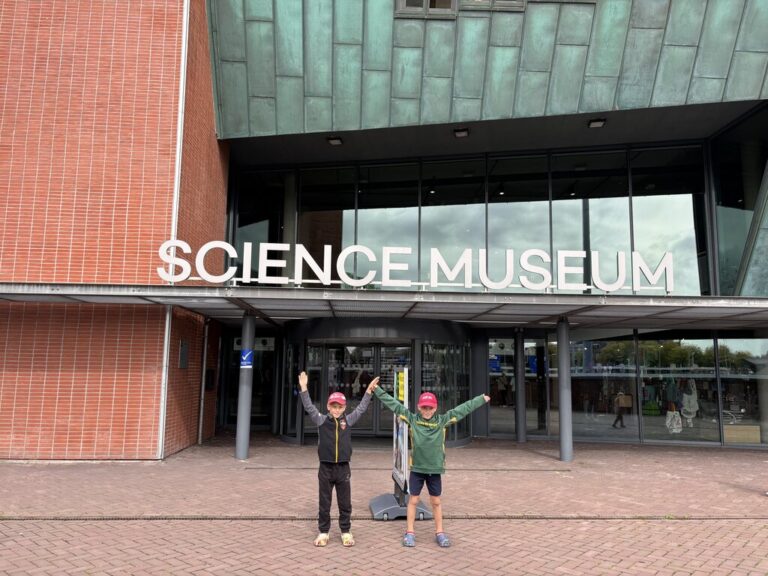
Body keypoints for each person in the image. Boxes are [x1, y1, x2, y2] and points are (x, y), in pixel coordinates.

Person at [370, 381, 490, 548]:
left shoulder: (442, 421)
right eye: (424, 407)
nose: (427, 411)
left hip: (434, 470)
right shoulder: (412, 419)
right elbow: (395, 405)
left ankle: (440, 532)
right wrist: (377, 390)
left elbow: (462, 410)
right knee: (413, 500)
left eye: (430, 408)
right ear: (419, 407)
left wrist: (480, 399)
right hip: (417, 470)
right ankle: (410, 532)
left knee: (436, 502)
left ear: (435, 408)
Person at [298, 370, 379, 548]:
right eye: (333, 406)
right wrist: (304, 388)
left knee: (345, 503)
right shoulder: (320, 420)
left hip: (343, 469)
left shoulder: (348, 421)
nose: (336, 409)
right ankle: (323, 532)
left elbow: (362, 408)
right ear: (328, 406)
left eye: (339, 406)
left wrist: (368, 392)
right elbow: (309, 407)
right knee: (324, 502)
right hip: (325, 469)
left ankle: (345, 531)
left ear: (344, 408)